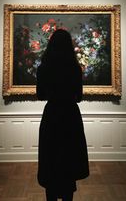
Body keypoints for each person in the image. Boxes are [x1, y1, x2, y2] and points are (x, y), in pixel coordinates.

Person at [36, 29, 89, 201]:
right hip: (70, 116)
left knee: (51, 159)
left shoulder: (44, 68)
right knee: (69, 159)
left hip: (52, 115)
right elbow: (79, 98)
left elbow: (41, 95)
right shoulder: (74, 68)